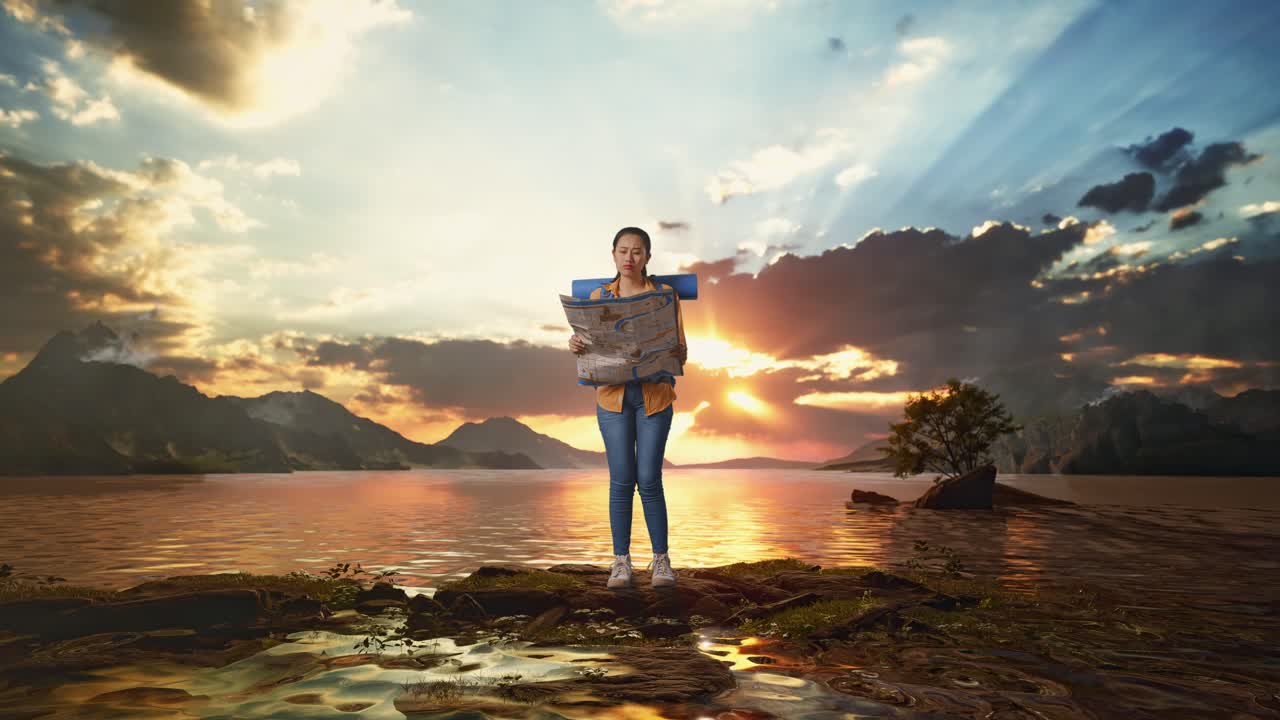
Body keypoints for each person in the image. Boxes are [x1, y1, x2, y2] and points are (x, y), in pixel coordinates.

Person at [568, 226, 687, 590]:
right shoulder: (599, 296)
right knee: (621, 481)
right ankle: (620, 562)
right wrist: (577, 344)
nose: (629, 258)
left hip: (654, 396)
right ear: (614, 254)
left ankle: (661, 562)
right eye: (623, 251)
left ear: (648, 257)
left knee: (649, 479)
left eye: (637, 251)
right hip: (613, 397)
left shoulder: (664, 295)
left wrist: (666, 349)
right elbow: (589, 344)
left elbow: (681, 349)